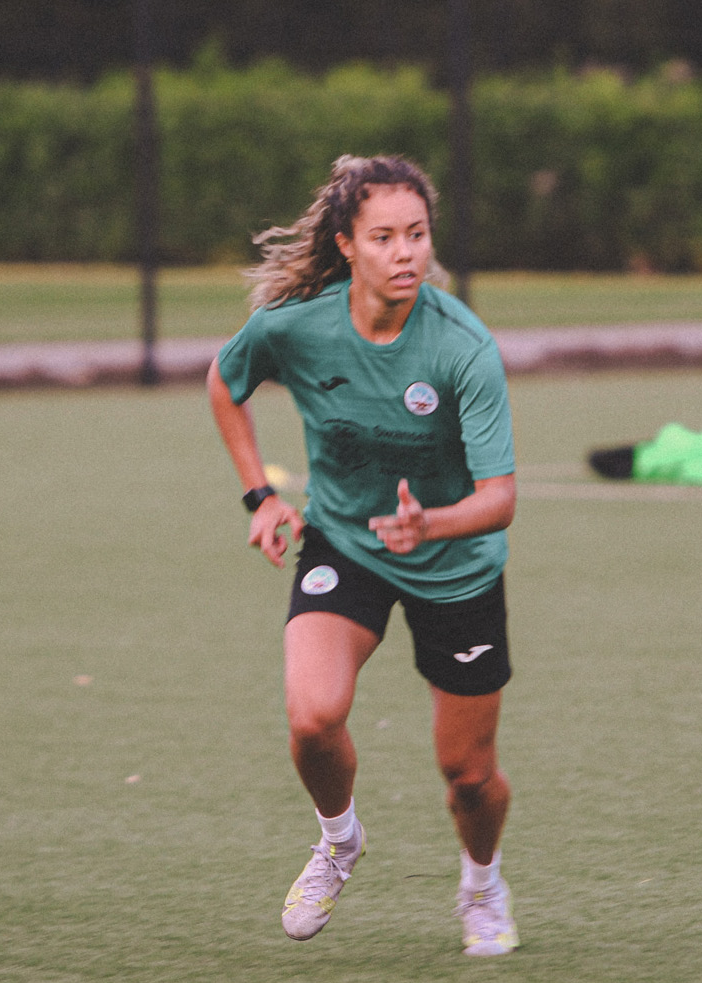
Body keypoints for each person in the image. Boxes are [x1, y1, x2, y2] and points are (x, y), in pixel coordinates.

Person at [206, 154, 520, 957]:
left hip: (455, 563)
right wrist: (260, 497)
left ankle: (481, 882)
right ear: (347, 243)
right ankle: (340, 841)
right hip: (347, 542)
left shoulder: (463, 346)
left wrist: (435, 522)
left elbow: (500, 497)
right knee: (313, 716)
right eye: (384, 236)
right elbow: (225, 380)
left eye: (416, 234)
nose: (406, 252)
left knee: (469, 776)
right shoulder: (298, 325)